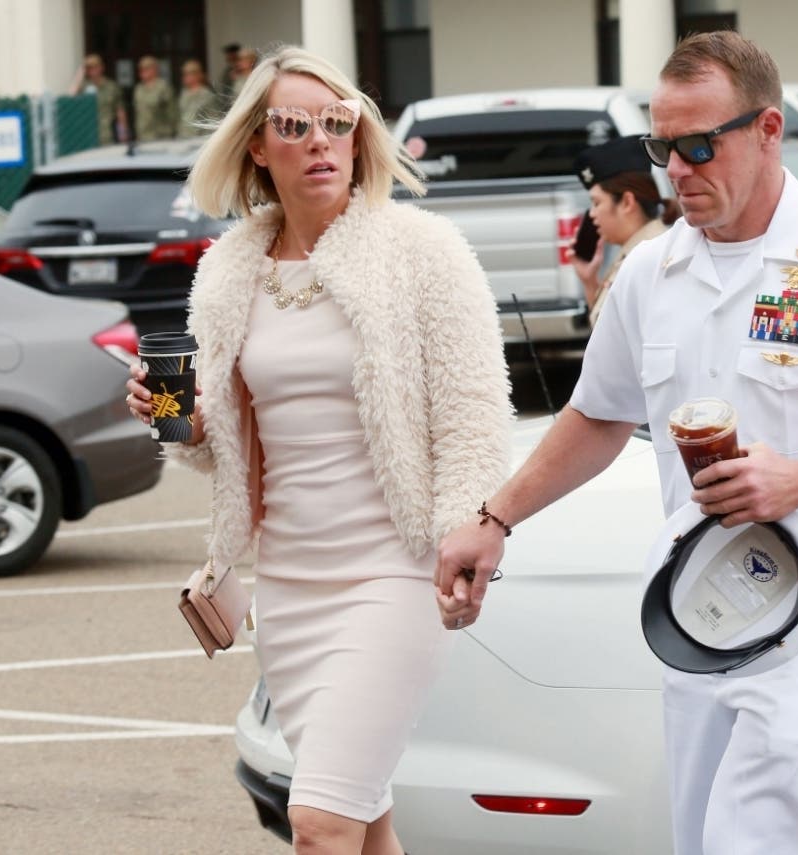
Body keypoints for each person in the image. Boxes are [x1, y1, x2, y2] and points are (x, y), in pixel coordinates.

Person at [435, 30, 798, 855]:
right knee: (702, 837)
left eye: (696, 145)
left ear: (767, 130)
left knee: (761, 837)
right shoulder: (650, 277)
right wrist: (494, 518)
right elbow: (598, 416)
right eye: (662, 147)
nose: (676, 171)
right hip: (694, 603)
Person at [125, 45, 512, 855]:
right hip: (291, 587)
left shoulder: (422, 252)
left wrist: (473, 535)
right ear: (259, 146)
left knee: (319, 825)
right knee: (366, 824)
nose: (320, 140)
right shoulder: (229, 270)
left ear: (361, 136)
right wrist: (185, 422)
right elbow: (223, 442)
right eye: (294, 125)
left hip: (393, 574)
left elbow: (476, 416)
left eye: (337, 122)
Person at [568, 135, 678, 325]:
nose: (592, 214)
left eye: (596, 203)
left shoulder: (653, 257)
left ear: (627, 202)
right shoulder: (634, 252)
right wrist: (589, 281)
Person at [69, 53, 128, 145]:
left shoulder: (111, 86)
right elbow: (71, 98)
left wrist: (123, 133)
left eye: (95, 67)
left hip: (107, 135)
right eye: (89, 68)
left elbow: (120, 111)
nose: (93, 70)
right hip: (87, 135)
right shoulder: (83, 86)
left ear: (101, 67)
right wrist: (79, 75)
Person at [133, 55, 177, 141]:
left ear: (155, 69)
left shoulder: (163, 86)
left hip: (161, 135)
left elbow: (172, 111)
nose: (143, 71)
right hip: (143, 136)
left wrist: (173, 131)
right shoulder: (139, 88)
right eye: (141, 69)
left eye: (146, 68)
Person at [177, 59, 220, 138]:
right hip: (183, 136)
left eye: (188, 74)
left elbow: (213, 119)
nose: (185, 77)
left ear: (197, 75)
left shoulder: (206, 95)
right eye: (184, 74)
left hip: (200, 137)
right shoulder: (184, 93)